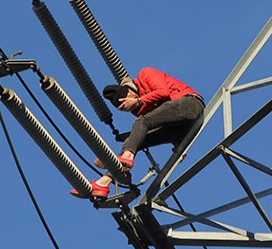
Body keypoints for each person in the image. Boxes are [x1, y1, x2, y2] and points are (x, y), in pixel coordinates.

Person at [72, 66, 204, 199]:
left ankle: (126, 158)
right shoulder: (139, 108)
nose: (130, 107)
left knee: (142, 122)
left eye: (127, 101)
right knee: (138, 140)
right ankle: (103, 183)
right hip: (183, 126)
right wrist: (180, 145)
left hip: (190, 103)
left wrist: (139, 100)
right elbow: (165, 120)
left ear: (129, 91)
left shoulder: (145, 74)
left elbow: (163, 92)